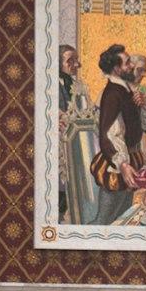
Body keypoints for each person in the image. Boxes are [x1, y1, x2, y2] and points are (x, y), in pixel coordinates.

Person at [90, 42, 146, 224]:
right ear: (117, 69)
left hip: (130, 161)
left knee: (123, 218)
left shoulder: (127, 90)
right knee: (104, 222)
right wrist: (123, 164)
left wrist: (145, 105)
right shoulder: (112, 93)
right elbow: (108, 134)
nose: (132, 65)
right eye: (127, 63)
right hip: (117, 166)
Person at [58, 45, 101, 223]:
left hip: (76, 142)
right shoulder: (50, 85)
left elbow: (84, 110)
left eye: (76, 60)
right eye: (70, 61)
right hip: (60, 144)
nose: (76, 64)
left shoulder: (76, 85)